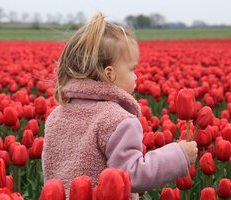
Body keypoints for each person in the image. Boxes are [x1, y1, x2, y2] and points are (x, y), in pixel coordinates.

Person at [41, 12, 198, 199]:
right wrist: (179, 155)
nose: (136, 76)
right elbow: (132, 174)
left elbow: (50, 170)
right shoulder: (117, 120)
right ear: (110, 74)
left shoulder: (57, 115)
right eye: (132, 69)